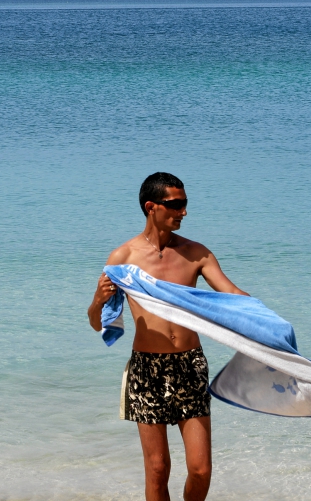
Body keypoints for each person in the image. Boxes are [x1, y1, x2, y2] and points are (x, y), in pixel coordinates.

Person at [87, 172, 248, 501]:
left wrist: (267, 322)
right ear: (151, 207)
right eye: (175, 205)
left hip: (190, 365)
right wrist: (99, 301)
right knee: (158, 468)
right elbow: (96, 323)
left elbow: (231, 294)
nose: (183, 212)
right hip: (146, 369)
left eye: (185, 204)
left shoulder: (196, 253)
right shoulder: (124, 258)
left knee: (201, 470)